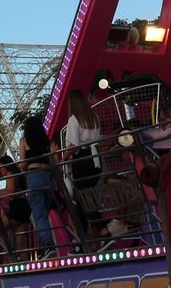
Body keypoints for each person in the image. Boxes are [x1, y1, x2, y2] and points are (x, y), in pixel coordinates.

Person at [62, 91, 104, 245]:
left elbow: (73, 146)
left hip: (82, 160)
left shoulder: (74, 120)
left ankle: (101, 231)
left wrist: (62, 159)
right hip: (96, 159)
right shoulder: (95, 118)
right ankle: (87, 239)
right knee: (85, 199)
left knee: (85, 199)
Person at [18, 115, 57, 255]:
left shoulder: (24, 141)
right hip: (47, 176)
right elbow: (54, 161)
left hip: (33, 175)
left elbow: (22, 164)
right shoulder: (46, 141)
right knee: (44, 214)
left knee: (38, 215)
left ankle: (49, 244)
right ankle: (42, 251)